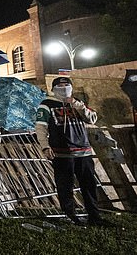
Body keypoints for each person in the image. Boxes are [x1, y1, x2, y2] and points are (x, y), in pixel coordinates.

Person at [35, 77, 110, 226]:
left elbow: (92, 119)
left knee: (89, 185)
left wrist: (77, 105)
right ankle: (70, 215)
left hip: (84, 152)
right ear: (54, 88)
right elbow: (40, 127)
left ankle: (94, 217)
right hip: (62, 153)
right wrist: (45, 146)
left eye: (66, 85)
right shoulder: (46, 104)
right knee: (65, 186)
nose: (64, 88)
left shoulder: (77, 103)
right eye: (60, 86)